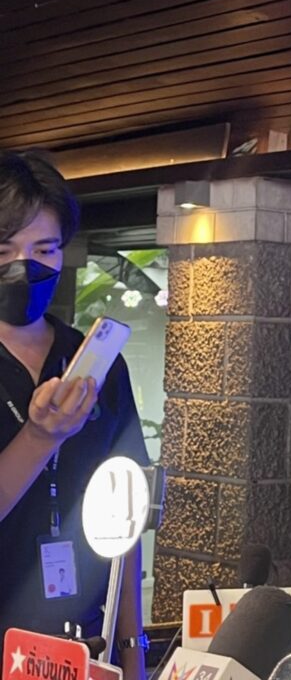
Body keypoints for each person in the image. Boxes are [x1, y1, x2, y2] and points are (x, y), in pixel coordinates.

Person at [0, 151, 148, 680]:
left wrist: (132, 648)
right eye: (5, 249)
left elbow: (126, 517)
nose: (26, 266)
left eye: (45, 249)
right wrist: (42, 437)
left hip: (83, 646)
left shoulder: (96, 364)